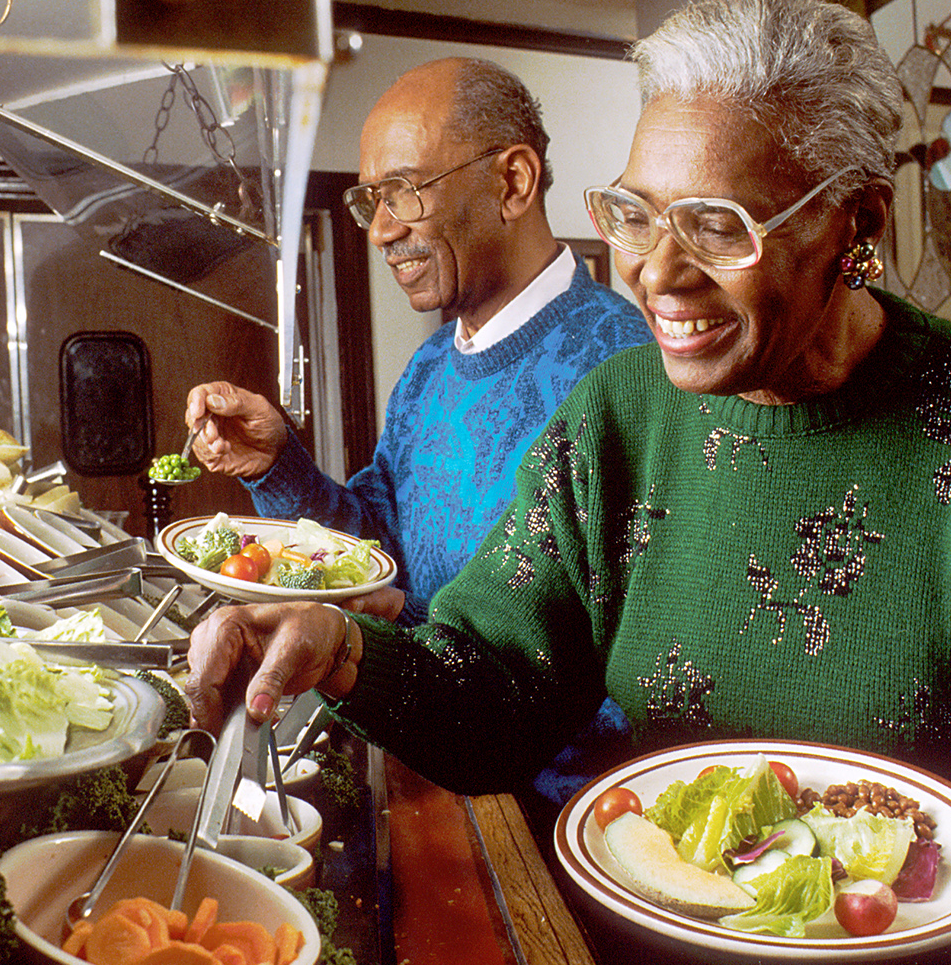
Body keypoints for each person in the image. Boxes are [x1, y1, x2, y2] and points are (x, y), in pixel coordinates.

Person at [184, 0, 951, 965]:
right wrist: (344, 648)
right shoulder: (618, 416)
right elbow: (497, 690)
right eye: (634, 214)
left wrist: (922, 871)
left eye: (717, 227)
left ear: (854, 228)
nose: (653, 274)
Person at [183, 56, 651, 626]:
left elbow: (632, 661)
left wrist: (409, 632)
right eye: (371, 201)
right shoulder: (429, 367)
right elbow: (375, 552)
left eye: (403, 190)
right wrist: (275, 466)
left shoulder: (629, 373)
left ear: (513, 183)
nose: (381, 231)